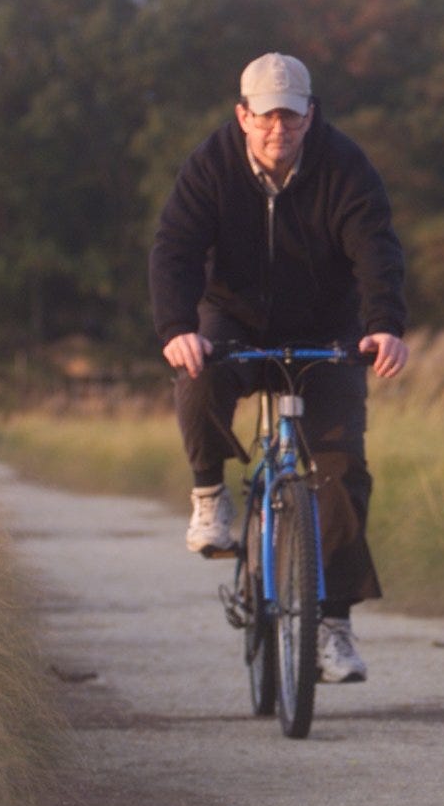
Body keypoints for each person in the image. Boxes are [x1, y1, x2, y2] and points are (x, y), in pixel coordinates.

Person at [150, 52, 409, 684]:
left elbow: (375, 247)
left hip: (327, 327)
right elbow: (175, 248)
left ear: (309, 115)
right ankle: (211, 494)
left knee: (341, 471)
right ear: (243, 115)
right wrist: (177, 328)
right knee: (199, 373)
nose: (278, 131)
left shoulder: (344, 165)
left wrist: (385, 325)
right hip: (234, 318)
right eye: (265, 117)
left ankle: (335, 628)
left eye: (291, 118)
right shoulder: (210, 165)